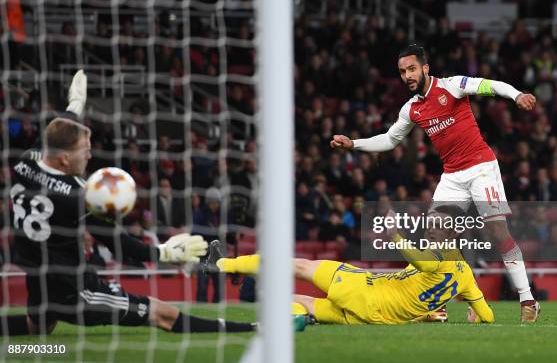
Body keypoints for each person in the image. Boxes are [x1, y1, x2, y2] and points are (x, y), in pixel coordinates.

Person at [3, 71, 256, 336]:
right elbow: (121, 245)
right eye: (85, 150)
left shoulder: (26, 160)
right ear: (65, 158)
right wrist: (165, 253)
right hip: (73, 289)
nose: (90, 154)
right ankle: (251, 328)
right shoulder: (79, 196)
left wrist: (75, 103)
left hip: (38, 276)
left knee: (36, 328)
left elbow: (58, 129)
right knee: (163, 314)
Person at [329, 45, 540, 322]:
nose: (407, 75)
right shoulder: (412, 109)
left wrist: (517, 95)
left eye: (412, 69)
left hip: (481, 167)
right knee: (436, 239)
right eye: (403, 72)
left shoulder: (453, 86)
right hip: (452, 176)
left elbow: (489, 85)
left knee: (497, 232)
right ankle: (459, 298)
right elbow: (391, 139)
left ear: (425, 68)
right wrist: (354, 144)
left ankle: (527, 299)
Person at [204, 205, 494, 325]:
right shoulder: (466, 276)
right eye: (430, 225)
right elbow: (489, 316)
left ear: (453, 234)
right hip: (373, 318)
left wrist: (394, 233)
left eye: (437, 227)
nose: (431, 231)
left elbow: (423, 263)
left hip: (364, 288)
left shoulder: (437, 257)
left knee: (299, 266)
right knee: (295, 301)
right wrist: (477, 316)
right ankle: (289, 322)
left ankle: (226, 265)